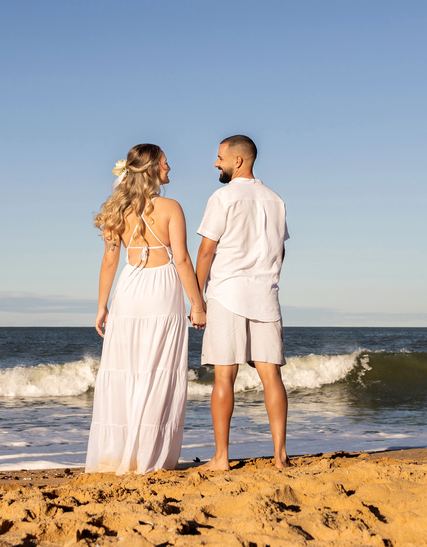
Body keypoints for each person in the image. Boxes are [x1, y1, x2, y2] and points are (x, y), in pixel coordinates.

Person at [85, 143, 209, 474]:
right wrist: (198, 304)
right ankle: (149, 457)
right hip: (162, 289)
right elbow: (181, 260)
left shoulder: (115, 209)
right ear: (152, 168)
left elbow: (110, 259)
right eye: (165, 164)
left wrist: (102, 306)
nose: (170, 169)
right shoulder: (171, 207)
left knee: (127, 370)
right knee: (157, 371)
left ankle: (119, 455)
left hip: (129, 289)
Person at [196, 135, 291, 471]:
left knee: (225, 377)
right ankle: (280, 456)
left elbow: (206, 250)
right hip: (266, 293)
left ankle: (221, 458)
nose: (216, 163)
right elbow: (281, 249)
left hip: (227, 294)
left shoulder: (223, 197)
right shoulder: (275, 200)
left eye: (220, 157)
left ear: (238, 160)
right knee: (272, 377)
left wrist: (196, 298)